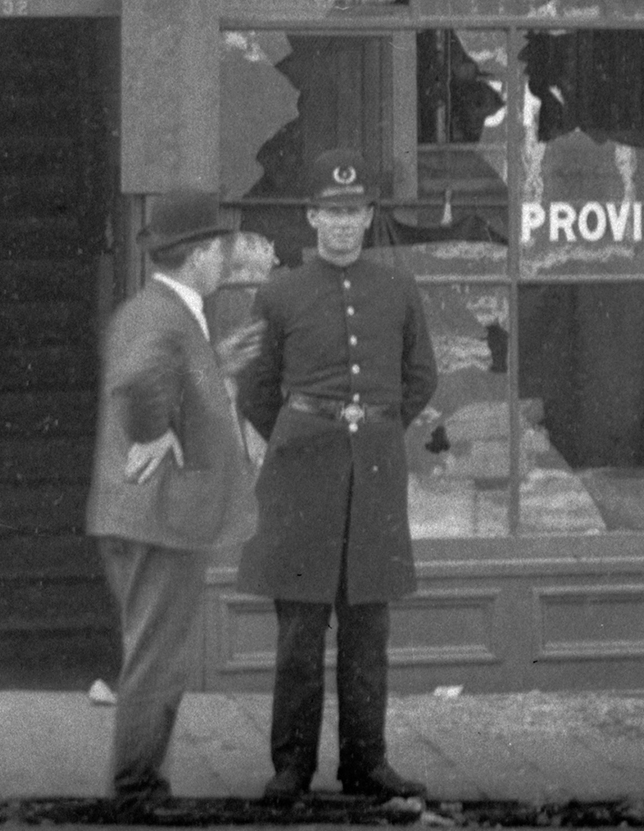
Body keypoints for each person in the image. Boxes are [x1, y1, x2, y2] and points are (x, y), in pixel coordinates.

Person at [237, 149, 439, 802]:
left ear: (369, 215)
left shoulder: (397, 288)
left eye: (353, 212)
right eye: (331, 212)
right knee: (299, 631)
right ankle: (291, 766)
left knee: (367, 627)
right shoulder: (281, 292)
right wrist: (304, 437)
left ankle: (365, 763)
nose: (343, 225)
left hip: (374, 472)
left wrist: (375, 431)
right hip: (301, 475)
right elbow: (256, 389)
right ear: (312, 215)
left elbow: (421, 378)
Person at [86, 191, 262, 805]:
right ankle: (136, 789)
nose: (227, 261)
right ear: (199, 254)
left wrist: (214, 364)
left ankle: (141, 783)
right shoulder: (167, 313)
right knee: (157, 659)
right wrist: (152, 430)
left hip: (147, 513)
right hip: (159, 515)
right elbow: (139, 382)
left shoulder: (156, 309)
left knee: (154, 651)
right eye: (222, 250)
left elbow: (156, 370)